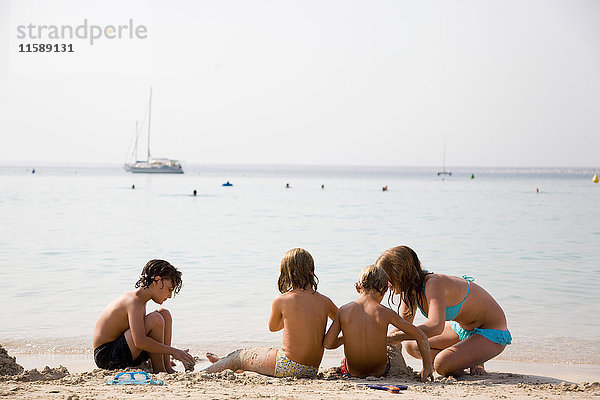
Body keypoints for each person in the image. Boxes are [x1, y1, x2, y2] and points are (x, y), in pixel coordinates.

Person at [376, 246, 512, 377]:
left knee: (441, 365)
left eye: (387, 280)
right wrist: (374, 339)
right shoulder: (409, 292)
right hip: (462, 329)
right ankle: (467, 355)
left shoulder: (433, 283)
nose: (386, 286)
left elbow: (435, 326)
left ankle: (471, 356)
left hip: (491, 330)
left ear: (400, 273)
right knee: (411, 345)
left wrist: (396, 337)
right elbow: (403, 327)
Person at [204, 248, 337, 378]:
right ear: (311, 271)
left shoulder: (282, 300)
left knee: (239, 356)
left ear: (286, 272)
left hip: (287, 365)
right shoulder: (325, 301)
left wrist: (292, 319)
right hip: (311, 369)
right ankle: (225, 363)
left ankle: (206, 371)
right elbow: (343, 321)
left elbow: (273, 327)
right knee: (248, 363)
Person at [323, 265, 433, 380]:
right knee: (395, 347)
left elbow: (328, 344)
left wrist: (348, 338)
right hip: (380, 372)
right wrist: (427, 367)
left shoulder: (343, 311)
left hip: (352, 372)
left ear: (357, 287)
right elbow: (421, 336)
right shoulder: (386, 312)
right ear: (384, 290)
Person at [93, 259, 195, 373]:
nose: (170, 295)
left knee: (164, 314)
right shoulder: (134, 301)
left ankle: (166, 367)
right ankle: (160, 370)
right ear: (157, 281)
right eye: (169, 289)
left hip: (126, 350)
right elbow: (139, 341)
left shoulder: (141, 301)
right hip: (107, 356)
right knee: (155, 319)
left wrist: (168, 353)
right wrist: (174, 351)